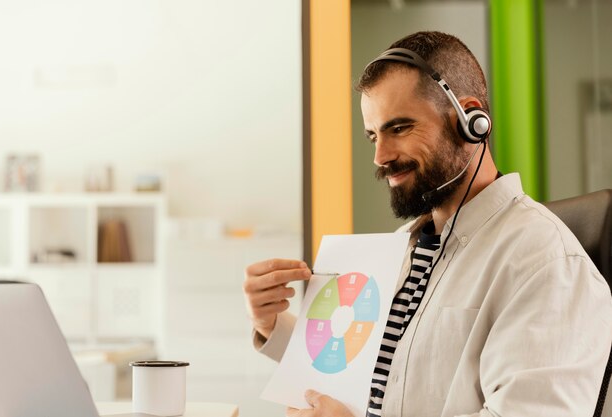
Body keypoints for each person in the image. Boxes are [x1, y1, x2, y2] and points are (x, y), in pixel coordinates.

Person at [242, 31, 612, 417]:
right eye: (373, 135)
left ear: (471, 121)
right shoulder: (404, 247)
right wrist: (271, 323)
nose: (380, 156)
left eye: (399, 128)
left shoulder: (546, 264)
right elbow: (371, 369)